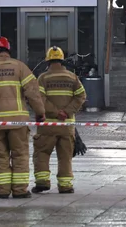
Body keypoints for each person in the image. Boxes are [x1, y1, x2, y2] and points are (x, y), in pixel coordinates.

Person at [0, 37, 46, 199]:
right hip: (17, 120)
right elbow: (32, 92)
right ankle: (19, 190)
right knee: (19, 154)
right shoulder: (19, 67)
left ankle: (3, 190)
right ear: (8, 50)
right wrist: (40, 112)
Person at [33, 46, 86, 194]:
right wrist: (66, 112)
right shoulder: (72, 77)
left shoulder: (43, 78)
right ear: (62, 60)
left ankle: (42, 182)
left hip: (48, 125)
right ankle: (65, 185)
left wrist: (55, 112)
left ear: (47, 61)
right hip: (67, 126)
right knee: (65, 157)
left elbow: (39, 99)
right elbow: (81, 96)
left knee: (42, 153)